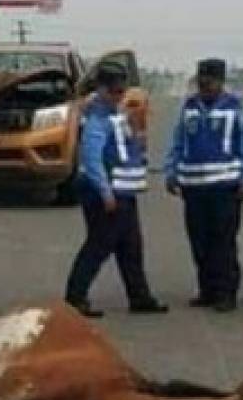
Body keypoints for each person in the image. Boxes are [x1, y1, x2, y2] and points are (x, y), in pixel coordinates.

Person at [63, 62, 168, 318]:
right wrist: (105, 192)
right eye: (113, 91)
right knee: (99, 246)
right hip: (105, 193)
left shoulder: (116, 114)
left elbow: (128, 149)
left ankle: (139, 296)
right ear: (101, 89)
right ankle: (75, 298)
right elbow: (92, 158)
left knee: (130, 246)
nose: (118, 96)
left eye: (121, 91)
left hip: (124, 191)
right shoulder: (97, 118)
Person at [165, 58, 243, 312]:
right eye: (201, 82)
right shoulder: (188, 108)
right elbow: (178, 142)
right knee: (199, 240)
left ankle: (226, 292)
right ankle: (207, 289)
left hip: (226, 187)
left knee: (223, 242)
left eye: (209, 82)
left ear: (220, 82)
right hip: (193, 187)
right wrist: (171, 171)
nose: (204, 87)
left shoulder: (236, 108)